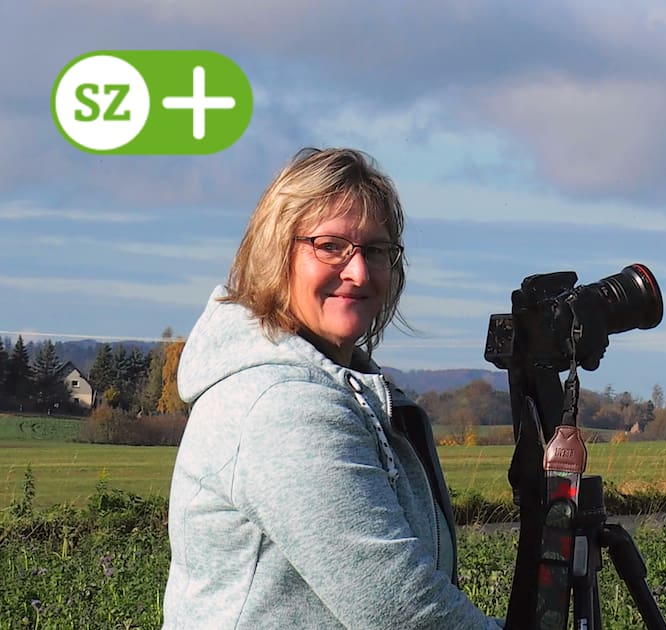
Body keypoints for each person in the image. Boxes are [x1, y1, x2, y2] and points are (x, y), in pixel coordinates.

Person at [162, 147, 503, 629]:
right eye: (330, 246)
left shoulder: (340, 389)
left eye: (375, 250)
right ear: (276, 252)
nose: (358, 272)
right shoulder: (283, 405)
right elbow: (399, 608)